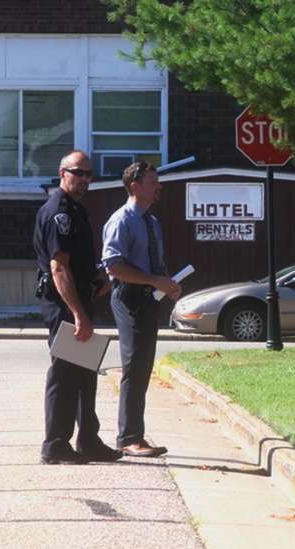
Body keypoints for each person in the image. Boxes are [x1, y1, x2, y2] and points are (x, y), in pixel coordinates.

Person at [33, 150, 122, 465]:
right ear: (62, 172)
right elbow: (59, 269)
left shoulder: (76, 210)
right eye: (78, 172)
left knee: (85, 373)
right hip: (64, 306)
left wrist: (96, 284)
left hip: (79, 300)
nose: (84, 179)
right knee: (65, 374)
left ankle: (88, 440)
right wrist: (78, 315)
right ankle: (55, 444)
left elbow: (78, 265)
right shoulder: (60, 213)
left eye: (89, 174)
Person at [101, 162, 181, 457]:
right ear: (134, 186)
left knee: (144, 366)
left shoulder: (151, 221)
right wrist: (153, 280)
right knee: (134, 366)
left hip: (150, 298)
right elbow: (114, 265)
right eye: (152, 183)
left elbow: (156, 264)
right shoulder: (121, 220)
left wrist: (168, 284)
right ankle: (128, 438)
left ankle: (136, 434)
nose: (158, 187)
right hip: (129, 297)